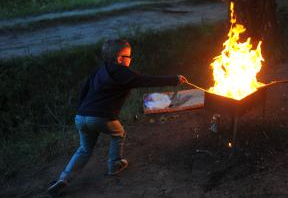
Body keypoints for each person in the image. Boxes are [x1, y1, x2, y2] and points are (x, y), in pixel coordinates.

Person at [47, 39, 188, 196]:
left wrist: (82, 110)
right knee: (118, 134)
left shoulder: (98, 71)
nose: (130, 60)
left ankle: (64, 178)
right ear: (120, 58)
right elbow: (145, 80)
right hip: (101, 117)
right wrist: (174, 79)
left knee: (84, 149)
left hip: (81, 116)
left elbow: (83, 91)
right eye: (128, 57)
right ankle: (114, 164)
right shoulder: (122, 72)